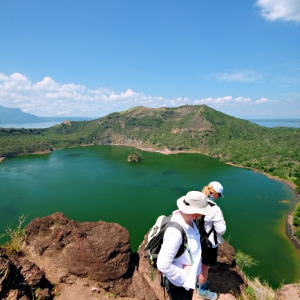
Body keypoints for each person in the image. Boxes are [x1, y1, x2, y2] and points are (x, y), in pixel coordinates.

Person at [157, 191, 214, 300]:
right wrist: (185, 274)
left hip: (188, 282)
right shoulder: (175, 232)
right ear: (195, 212)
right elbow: (163, 265)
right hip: (179, 284)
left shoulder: (190, 222)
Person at [196, 181, 226, 300]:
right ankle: (201, 290)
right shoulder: (215, 209)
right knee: (205, 267)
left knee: (198, 263)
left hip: (196, 239)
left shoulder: (198, 202)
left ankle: (198, 282)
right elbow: (221, 230)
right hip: (208, 243)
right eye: (219, 195)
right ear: (216, 194)